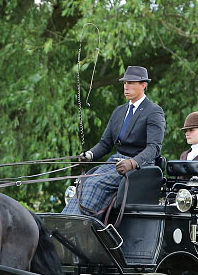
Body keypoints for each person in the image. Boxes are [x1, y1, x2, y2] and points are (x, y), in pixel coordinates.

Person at [64, 65, 165, 216]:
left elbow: (154, 148)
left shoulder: (154, 111)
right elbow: (105, 143)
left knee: (94, 184)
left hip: (140, 166)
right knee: (83, 182)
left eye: (131, 83)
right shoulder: (119, 111)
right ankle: (66, 221)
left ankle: (79, 223)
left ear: (143, 85)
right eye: (125, 83)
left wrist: (132, 163)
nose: (126, 87)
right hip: (116, 162)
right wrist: (89, 155)